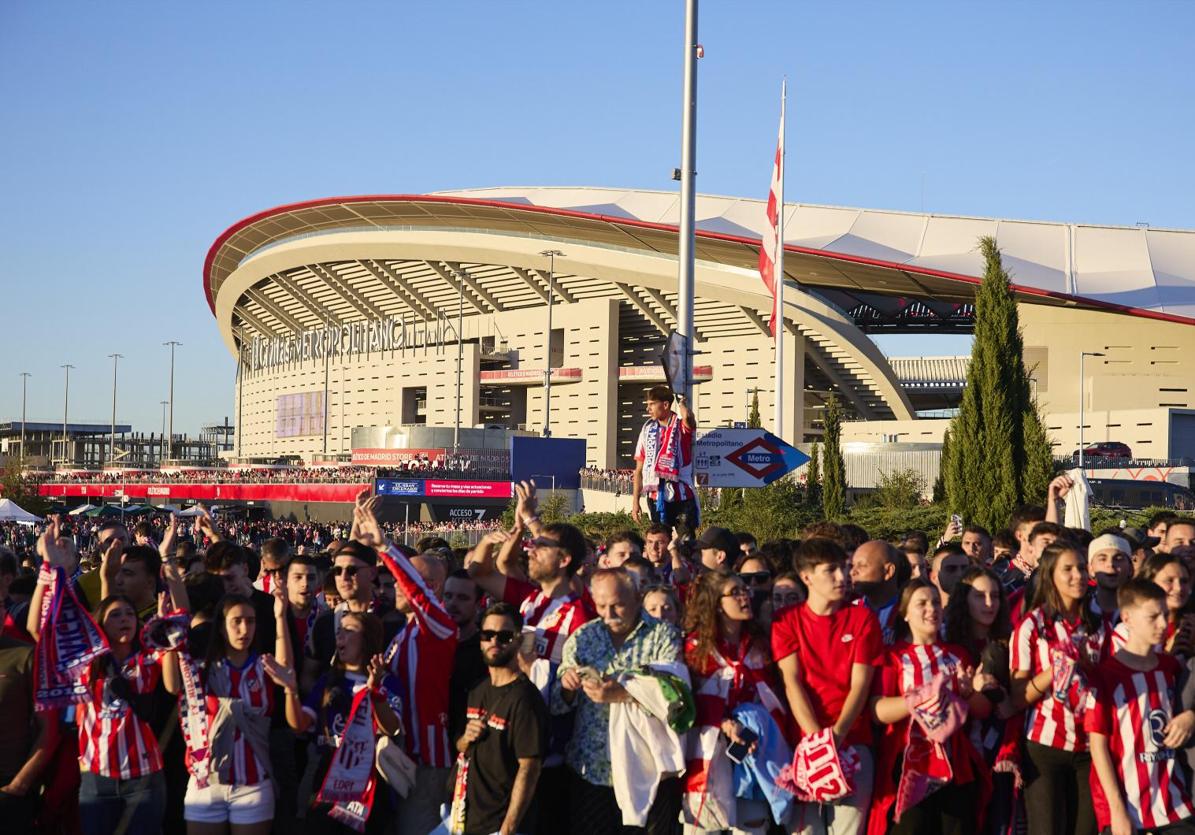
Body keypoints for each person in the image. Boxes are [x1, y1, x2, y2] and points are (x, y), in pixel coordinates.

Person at [351, 491, 459, 835]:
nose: (398, 586)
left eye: (407, 580)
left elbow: (417, 593)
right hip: (401, 752)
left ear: (434, 587)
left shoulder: (440, 625)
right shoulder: (405, 631)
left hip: (427, 758)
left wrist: (386, 546)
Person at [553, 569, 685, 835]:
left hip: (647, 772)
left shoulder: (662, 635)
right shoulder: (584, 637)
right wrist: (567, 686)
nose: (609, 614)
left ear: (637, 597)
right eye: (601, 606)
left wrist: (624, 694)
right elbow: (558, 704)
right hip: (592, 769)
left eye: (618, 605)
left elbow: (676, 695)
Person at [161, 587, 300, 834]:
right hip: (206, 783)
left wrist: (280, 617)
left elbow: (287, 672)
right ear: (222, 626)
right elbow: (172, 685)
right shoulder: (203, 669)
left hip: (253, 785)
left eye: (251, 621)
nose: (244, 629)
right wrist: (168, 632)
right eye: (236, 622)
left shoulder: (263, 666)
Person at [773, 537, 882, 835]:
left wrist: (837, 736)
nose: (841, 577)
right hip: (802, 745)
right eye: (831, 570)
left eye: (844, 569)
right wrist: (816, 746)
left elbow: (860, 685)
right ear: (807, 577)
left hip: (853, 742)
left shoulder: (862, 619)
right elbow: (792, 683)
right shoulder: (786, 621)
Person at [868, 580, 991, 834]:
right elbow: (877, 711)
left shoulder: (959, 655)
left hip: (956, 767)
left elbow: (984, 710)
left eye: (936, 602)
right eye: (921, 603)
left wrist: (968, 693)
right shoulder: (893, 657)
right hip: (908, 767)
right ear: (905, 613)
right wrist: (917, 699)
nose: (931, 609)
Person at [1010, 541, 1110, 835]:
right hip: (1045, 746)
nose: (1078, 575)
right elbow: (1018, 697)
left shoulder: (1097, 623)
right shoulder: (1032, 625)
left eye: (1081, 567)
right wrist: (1054, 671)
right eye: (1068, 569)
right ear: (1050, 575)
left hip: (1092, 746)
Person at [682, 570, 789, 835]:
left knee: (751, 827)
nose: (745, 597)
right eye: (735, 592)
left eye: (745, 590)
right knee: (705, 827)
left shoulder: (760, 645)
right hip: (708, 757)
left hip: (754, 756)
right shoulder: (696, 648)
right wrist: (724, 723)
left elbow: (775, 697)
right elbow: (689, 704)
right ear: (717, 603)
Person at [1087, 579, 1195, 835]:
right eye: (1153, 616)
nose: (1162, 623)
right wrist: (1116, 810)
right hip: (1129, 811)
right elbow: (1097, 745)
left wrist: (1192, 715)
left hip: (1176, 806)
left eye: (1165, 615)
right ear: (1127, 618)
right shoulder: (1105, 676)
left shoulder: (1171, 667)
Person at [282, 611, 400, 835]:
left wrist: (375, 692)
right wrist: (290, 690)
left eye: (349, 630)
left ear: (367, 639)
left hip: (369, 787)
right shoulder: (328, 680)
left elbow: (391, 727)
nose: (340, 637)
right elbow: (299, 724)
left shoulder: (388, 681)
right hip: (326, 781)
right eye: (339, 631)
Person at [76, 591, 179, 835]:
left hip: (144, 779)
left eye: (130, 614)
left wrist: (166, 629)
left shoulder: (149, 659)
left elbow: (174, 685)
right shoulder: (86, 664)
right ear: (100, 623)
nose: (125, 619)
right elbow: (38, 629)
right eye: (116, 615)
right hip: (96, 777)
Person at [455, 602, 549, 835]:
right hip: (466, 818)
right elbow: (460, 746)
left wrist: (507, 829)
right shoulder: (477, 689)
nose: (494, 642)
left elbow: (530, 768)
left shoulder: (526, 699)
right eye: (488, 635)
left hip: (502, 826)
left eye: (504, 636)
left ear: (518, 640)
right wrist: (466, 739)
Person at [0, 630, 59, 831]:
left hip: (9, 788)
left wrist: (19, 785)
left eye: (0, 605)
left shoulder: (26, 655)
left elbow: (49, 728)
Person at [631, 385, 698, 534]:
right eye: (647, 405)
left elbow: (688, 418)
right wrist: (636, 502)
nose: (648, 409)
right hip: (655, 496)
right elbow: (639, 470)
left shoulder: (680, 426)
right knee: (661, 539)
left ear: (666, 405)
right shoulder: (646, 431)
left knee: (686, 541)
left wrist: (681, 402)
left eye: (652, 404)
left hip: (682, 495)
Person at [445, 569, 486, 742]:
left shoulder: (485, 650)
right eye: (448, 596)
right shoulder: (427, 642)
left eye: (462, 598)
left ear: (478, 604)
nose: (453, 603)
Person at [1135, 552, 1195, 659]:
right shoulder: (1132, 626)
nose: (1179, 588)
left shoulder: (1190, 623)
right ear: (1149, 581)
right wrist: (1167, 655)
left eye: (1184, 581)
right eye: (1169, 581)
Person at [849, 540, 908, 645]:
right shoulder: (848, 610)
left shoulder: (910, 611)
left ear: (888, 571)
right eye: (852, 566)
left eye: (862, 565)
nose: (853, 572)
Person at [1086, 534, 1132, 619]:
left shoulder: (1142, 609)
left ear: (1130, 568)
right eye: (1102, 559)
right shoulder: (1081, 611)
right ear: (1090, 569)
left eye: (1118, 558)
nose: (1110, 564)